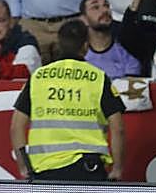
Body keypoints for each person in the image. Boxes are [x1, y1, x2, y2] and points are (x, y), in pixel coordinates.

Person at [10, 19, 125, 182]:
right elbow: (118, 127)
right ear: (86, 46)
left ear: (59, 44)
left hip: (44, 171)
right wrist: (117, 168)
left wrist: (23, 166)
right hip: (87, 169)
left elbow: (16, 127)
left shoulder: (38, 77)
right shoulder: (98, 77)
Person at [79, 0, 142, 78]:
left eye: (106, 5)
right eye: (95, 7)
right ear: (84, 19)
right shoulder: (78, 55)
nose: (104, 10)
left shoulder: (127, 52)